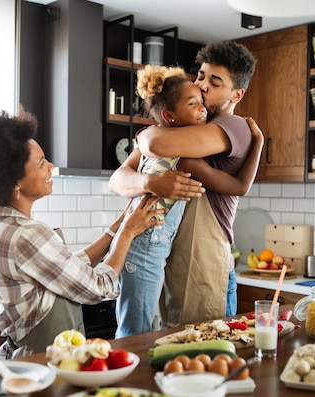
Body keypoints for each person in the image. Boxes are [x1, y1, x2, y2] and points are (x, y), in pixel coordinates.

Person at [0, 107, 163, 357]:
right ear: (15, 182)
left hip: (28, 355)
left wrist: (120, 224)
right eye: (41, 163)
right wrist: (127, 233)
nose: (51, 166)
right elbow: (98, 286)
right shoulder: (27, 234)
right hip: (46, 359)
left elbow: (67, 267)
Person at [109, 40, 258, 327]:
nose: (202, 86)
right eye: (201, 76)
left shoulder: (231, 127)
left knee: (199, 358)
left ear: (237, 94)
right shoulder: (186, 127)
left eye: (215, 82)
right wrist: (151, 181)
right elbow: (117, 180)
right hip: (175, 258)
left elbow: (156, 143)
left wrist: (144, 135)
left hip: (203, 260)